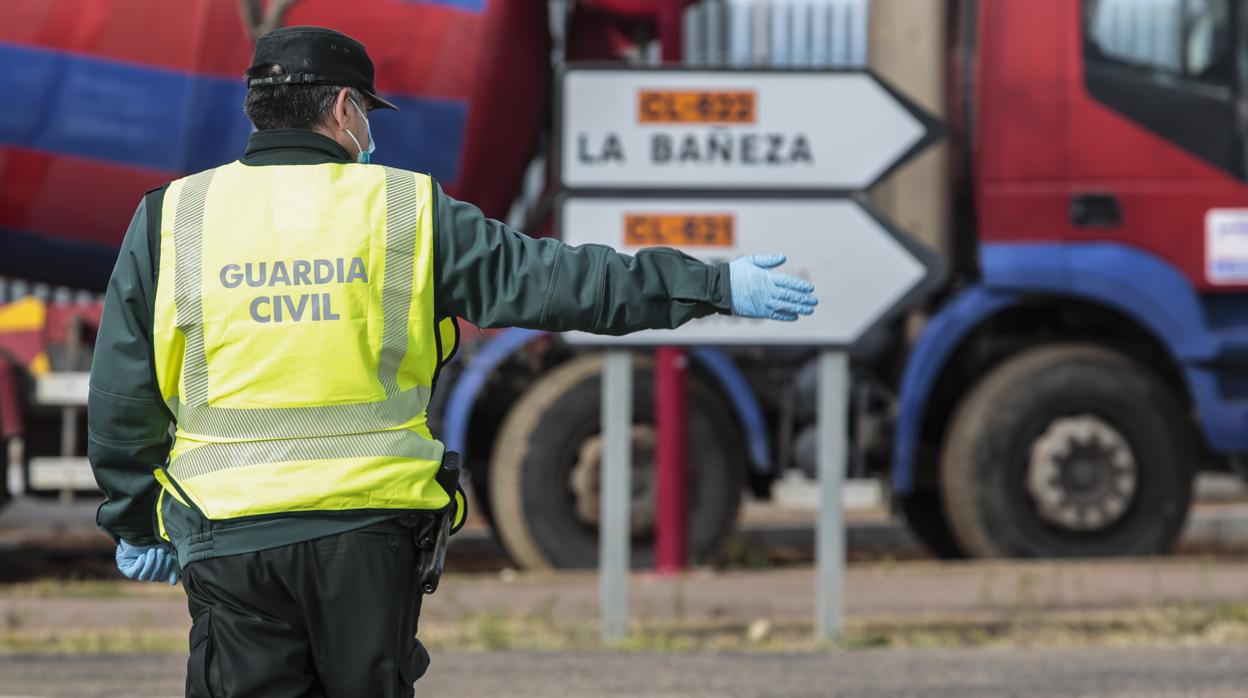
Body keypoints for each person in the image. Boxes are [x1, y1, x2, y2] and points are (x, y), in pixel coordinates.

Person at [87, 25, 817, 698]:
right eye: (368, 114)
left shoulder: (174, 216)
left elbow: (122, 393)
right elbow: (563, 283)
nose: (368, 132)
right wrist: (713, 284)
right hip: (366, 536)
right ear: (344, 109)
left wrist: (134, 520)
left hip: (228, 536)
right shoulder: (405, 209)